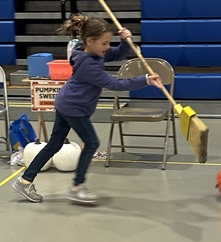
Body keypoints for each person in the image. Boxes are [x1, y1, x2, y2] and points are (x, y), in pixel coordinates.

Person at [12, 16, 162, 206]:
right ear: (90, 41)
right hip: (74, 108)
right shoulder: (88, 64)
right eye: (104, 43)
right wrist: (146, 79)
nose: (107, 46)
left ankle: (24, 181)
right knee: (92, 142)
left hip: (67, 103)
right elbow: (114, 83)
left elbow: (116, 54)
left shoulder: (90, 52)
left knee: (53, 146)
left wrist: (125, 41)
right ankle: (77, 187)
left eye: (109, 42)